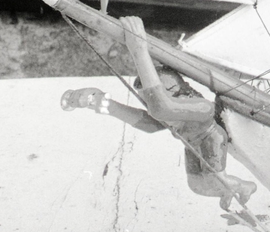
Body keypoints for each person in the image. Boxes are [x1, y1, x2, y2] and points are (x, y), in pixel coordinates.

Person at [61, 15, 256, 207]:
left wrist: (139, 50)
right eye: (149, 100)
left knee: (214, 179)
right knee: (197, 185)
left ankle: (244, 186)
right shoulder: (169, 114)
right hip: (192, 145)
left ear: (173, 90)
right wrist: (104, 104)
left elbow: (162, 108)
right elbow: (150, 124)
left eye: (154, 96)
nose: (151, 104)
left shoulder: (202, 107)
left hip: (211, 140)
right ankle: (228, 190)